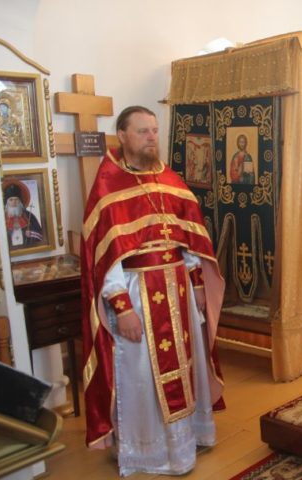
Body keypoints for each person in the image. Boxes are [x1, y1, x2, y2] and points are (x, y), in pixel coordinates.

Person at [80, 106, 226, 476]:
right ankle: (150, 450)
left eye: (154, 130)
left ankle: (187, 440)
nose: (151, 137)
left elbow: (188, 241)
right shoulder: (108, 186)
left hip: (178, 290)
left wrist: (197, 284)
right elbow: (105, 261)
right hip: (137, 293)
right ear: (122, 136)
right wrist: (122, 308)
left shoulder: (170, 179)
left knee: (186, 367)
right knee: (142, 376)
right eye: (143, 131)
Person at [3, 180, 43, 248]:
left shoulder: (28, 215)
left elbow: (40, 235)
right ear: (7, 203)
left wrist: (31, 234)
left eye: (16, 199)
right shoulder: (2, 218)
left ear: (20, 202)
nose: (14, 202)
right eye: (11, 200)